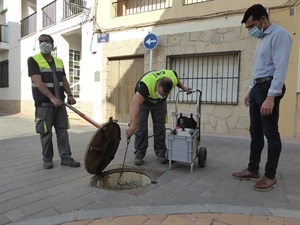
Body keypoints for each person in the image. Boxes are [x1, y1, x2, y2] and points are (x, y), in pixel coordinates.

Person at [232, 4, 292, 191]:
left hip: (268, 88)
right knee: (255, 131)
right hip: (258, 87)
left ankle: (270, 176)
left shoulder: (280, 35)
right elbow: (258, 68)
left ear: (263, 20)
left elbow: (280, 68)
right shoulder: (262, 39)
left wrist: (271, 96)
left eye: (251, 26)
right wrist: (250, 90)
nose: (250, 30)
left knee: (271, 133)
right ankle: (253, 169)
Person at [27, 34, 80, 169]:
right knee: (46, 133)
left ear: (52, 44)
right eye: (41, 41)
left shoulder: (59, 61)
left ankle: (66, 157)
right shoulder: (33, 60)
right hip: (44, 104)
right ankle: (47, 159)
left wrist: (69, 95)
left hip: (60, 104)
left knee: (63, 131)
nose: (43, 43)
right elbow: (37, 81)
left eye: (46, 41)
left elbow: (64, 80)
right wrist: (52, 97)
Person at [126, 69, 191, 165]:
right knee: (141, 127)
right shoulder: (146, 85)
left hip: (159, 104)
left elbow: (177, 80)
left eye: (165, 94)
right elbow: (135, 104)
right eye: (160, 93)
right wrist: (132, 126)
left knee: (160, 127)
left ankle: (161, 152)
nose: (162, 95)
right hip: (144, 102)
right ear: (157, 86)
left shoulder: (172, 77)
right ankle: (139, 153)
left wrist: (184, 87)